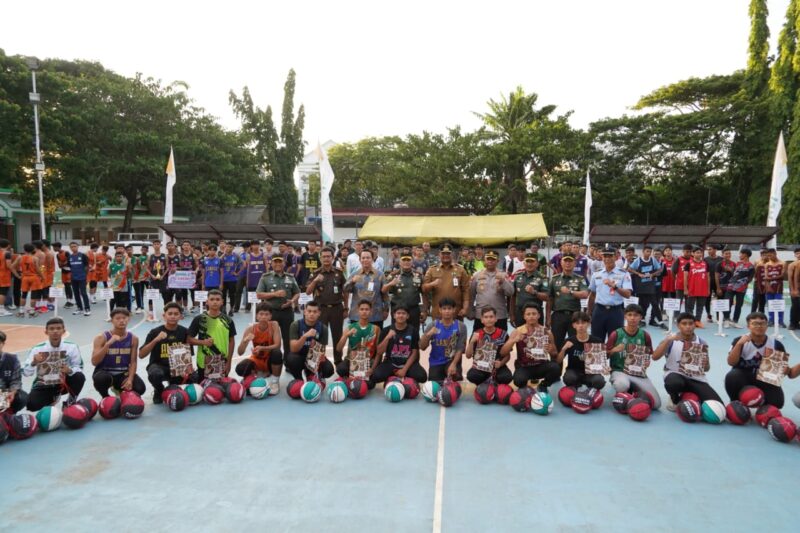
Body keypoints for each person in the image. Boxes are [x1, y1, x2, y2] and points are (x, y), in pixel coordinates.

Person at [652, 312, 723, 411]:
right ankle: (674, 398)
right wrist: (667, 341)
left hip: (696, 378)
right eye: (684, 324)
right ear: (678, 325)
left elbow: (706, 369)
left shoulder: (701, 343)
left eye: (691, 324)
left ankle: (690, 394)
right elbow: (655, 357)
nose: (688, 327)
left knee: (717, 405)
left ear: (695, 325)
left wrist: (705, 362)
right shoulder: (671, 340)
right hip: (675, 374)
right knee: (673, 383)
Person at [725, 312, 798, 408]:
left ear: (767, 326)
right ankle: (736, 403)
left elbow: (789, 374)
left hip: (765, 379)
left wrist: (784, 370)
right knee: (732, 376)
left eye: (762, 323)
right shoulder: (739, 340)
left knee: (777, 403)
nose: (759, 326)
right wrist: (739, 345)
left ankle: (762, 406)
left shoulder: (776, 344)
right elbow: (731, 362)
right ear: (748, 326)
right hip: (743, 377)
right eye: (755, 323)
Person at [606, 304, 661, 408]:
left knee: (656, 404)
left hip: (638, 373)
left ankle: (635, 393)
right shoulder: (616, 334)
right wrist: (614, 350)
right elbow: (604, 356)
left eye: (636, 315)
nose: (632, 318)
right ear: (625, 316)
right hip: (619, 371)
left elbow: (648, 355)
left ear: (641, 317)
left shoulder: (645, 335)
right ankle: (626, 392)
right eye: (629, 315)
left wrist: (647, 362)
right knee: (622, 385)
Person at [23, 318, 85, 410]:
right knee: (31, 405)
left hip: (64, 381)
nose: (55, 331)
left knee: (79, 376)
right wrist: (34, 362)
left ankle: (70, 401)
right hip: (44, 383)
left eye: (58, 328)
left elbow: (79, 367)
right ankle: (53, 397)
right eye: (51, 329)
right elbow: (26, 373)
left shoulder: (72, 347)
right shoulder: (37, 349)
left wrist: (69, 370)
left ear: (63, 331)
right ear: (46, 332)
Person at [138, 302, 194, 403]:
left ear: (181, 316)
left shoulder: (185, 331)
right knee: (155, 374)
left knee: (194, 377)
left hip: (177, 367)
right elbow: (141, 355)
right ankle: (159, 389)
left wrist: (187, 369)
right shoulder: (155, 332)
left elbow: (188, 354)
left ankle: (173, 384)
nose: (173, 316)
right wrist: (155, 340)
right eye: (170, 313)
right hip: (159, 366)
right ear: (164, 316)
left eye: (176, 314)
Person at [502, 304, 560, 392]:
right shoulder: (518, 331)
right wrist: (513, 341)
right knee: (518, 381)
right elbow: (503, 352)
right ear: (524, 316)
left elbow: (555, 354)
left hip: (541, 366)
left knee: (555, 368)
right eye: (528, 314)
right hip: (524, 367)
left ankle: (544, 385)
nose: (531, 316)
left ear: (539, 315)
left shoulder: (546, 332)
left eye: (534, 314)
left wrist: (551, 349)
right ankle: (525, 388)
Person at [91, 309, 145, 397]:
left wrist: (130, 380)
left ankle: (118, 389)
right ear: (112, 320)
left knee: (140, 388)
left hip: (122, 373)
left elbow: (133, 362)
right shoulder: (101, 337)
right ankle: (105, 397)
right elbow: (94, 362)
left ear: (129, 319)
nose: (122, 321)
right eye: (118, 318)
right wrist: (107, 344)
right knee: (100, 379)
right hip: (105, 372)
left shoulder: (133, 339)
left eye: (124, 318)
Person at [306, 247, 347, 365]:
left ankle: (338, 361)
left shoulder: (339, 273)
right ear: (320, 258)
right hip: (320, 310)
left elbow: (345, 291)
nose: (326, 259)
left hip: (337, 308)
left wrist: (346, 308)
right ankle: (318, 361)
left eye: (329, 256)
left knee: (337, 336)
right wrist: (315, 281)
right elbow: (308, 292)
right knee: (319, 336)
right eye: (324, 256)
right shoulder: (315, 273)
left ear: (333, 257)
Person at [371, 306, 427, 386]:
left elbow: (415, 353)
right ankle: (394, 376)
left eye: (403, 313)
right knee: (376, 376)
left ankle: (404, 375)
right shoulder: (386, 330)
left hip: (407, 364)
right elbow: (379, 352)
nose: (401, 315)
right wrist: (387, 337)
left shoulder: (413, 330)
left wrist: (404, 369)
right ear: (394, 315)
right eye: (398, 313)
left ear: (407, 316)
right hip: (390, 363)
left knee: (422, 377)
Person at [188, 290, 236, 381]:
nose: (215, 301)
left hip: (221, 360)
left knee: (219, 390)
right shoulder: (199, 319)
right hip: (203, 360)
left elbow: (231, 341)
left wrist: (229, 362)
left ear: (222, 302)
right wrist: (203, 342)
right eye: (212, 299)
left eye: (217, 299)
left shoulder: (228, 320)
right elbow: (189, 340)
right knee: (204, 389)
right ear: (207, 302)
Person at [256, 255, 300, 354]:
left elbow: (297, 293)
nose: (278, 264)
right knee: (270, 337)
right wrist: (275, 294)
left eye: (280, 262)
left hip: (287, 312)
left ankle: (288, 361)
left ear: (284, 263)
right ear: (271, 264)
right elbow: (259, 295)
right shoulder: (265, 277)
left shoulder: (290, 277)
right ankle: (271, 361)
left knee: (288, 337)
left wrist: (292, 301)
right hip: (271, 313)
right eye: (275, 262)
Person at [587, 245, 633, 343]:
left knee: (616, 342)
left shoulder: (624, 274)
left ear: (616, 257)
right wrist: (589, 313)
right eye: (605, 256)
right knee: (596, 342)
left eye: (610, 256)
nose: (607, 259)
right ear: (602, 257)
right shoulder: (596, 274)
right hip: (599, 311)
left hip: (616, 312)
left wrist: (615, 287)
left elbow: (628, 294)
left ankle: (614, 359)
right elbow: (592, 295)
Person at [235, 303, 283, 395]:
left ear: (270, 316)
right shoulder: (250, 329)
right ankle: (256, 375)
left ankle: (275, 381)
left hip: (269, 360)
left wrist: (262, 348)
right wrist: (244, 341)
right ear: (257, 316)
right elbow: (240, 352)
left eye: (266, 314)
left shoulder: (274, 325)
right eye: (261, 314)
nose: (264, 317)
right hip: (257, 359)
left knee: (277, 353)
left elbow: (277, 345)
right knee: (240, 368)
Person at [419, 298, 468, 382]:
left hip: (451, 360)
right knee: (434, 383)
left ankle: (455, 373)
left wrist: (454, 364)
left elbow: (460, 348)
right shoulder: (433, 325)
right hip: (436, 362)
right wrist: (428, 335)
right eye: (444, 309)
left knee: (455, 378)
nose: (447, 311)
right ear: (440, 310)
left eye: (449, 308)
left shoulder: (461, 326)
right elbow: (422, 346)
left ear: (454, 310)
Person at [548, 253, 589, 349]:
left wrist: (570, 292)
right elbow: (550, 299)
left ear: (575, 263)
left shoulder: (579, 279)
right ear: (561, 263)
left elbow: (585, 294)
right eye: (565, 261)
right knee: (556, 343)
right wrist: (548, 317)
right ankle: (557, 364)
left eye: (570, 261)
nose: (567, 263)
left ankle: (573, 364)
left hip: (574, 316)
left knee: (575, 344)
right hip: (558, 315)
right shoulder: (554, 279)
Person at [557, 311, 606, 390]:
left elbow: (602, 363)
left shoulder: (597, 341)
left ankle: (589, 387)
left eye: (583, 323)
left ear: (588, 324)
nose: (580, 325)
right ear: (573, 325)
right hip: (574, 371)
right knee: (568, 378)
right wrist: (564, 349)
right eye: (577, 323)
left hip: (591, 373)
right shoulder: (569, 341)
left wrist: (604, 366)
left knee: (599, 381)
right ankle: (576, 385)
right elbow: (558, 361)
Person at [287, 300, 334, 381]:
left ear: (319, 313)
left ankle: (312, 374)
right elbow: (293, 349)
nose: (312, 314)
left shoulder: (323, 328)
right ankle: (299, 380)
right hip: (299, 356)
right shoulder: (295, 325)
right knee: (291, 359)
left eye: (315, 312)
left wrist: (313, 365)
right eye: (309, 311)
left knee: (329, 369)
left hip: (314, 357)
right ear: (304, 312)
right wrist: (305, 336)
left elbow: (322, 352)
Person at [335, 300, 381, 384]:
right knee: (341, 369)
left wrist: (373, 368)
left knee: (372, 382)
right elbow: (338, 348)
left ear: (371, 312)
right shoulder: (350, 327)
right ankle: (351, 376)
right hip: (352, 360)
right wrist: (346, 335)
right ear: (358, 311)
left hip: (368, 361)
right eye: (362, 309)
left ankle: (357, 378)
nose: (364, 312)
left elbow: (379, 352)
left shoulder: (376, 329)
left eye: (367, 309)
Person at [423, 244, 470, 322]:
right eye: (443, 253)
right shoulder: (432, 270)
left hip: (456, 312)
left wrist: (465, 308)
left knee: (457, 333)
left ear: (452, 254)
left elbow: (466, 290)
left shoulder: (460, 270)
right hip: (438, 312)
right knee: (437, 333)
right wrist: (432, 284)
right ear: (439, 254)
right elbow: (424, 289)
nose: (446, 255)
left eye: (448, 253)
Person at [465, 306, 512, 385]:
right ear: (482, 320)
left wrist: (501, 363)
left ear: (496, 319)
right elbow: (468, 355)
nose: (489, 319)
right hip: (480, 367)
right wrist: (471, 342)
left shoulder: (503, 334)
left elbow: (507, 356)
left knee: (507, 377)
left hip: (497, 367)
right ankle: (483, 385)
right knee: (471, 375)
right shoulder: (476, 333)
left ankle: (495, 383)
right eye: (486, 317)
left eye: (491, 317)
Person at [470, 250, 514, 333]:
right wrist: (470, 311)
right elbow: (471, 295)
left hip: (499, 315)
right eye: (488, 259)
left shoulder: (503, 275)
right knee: (478, 341)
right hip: (481, 316)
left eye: (493, 259)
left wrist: (503, 282)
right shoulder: (477, 275)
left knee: (501, 341)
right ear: (484, 260)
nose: (490, 261)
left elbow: (510, 292)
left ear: (497, 261)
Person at [383, 247, 426, 331]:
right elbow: (384, 291)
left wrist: (424, 310)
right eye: (404, 260)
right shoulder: (393, 275)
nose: (406, 262)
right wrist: (391, 283)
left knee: (414, 334)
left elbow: (424, 294)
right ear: (400, 262)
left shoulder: (419, 275)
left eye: (408, 260)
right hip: (398, 311)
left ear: (412, 261)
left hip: (413, 310)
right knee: (396, 334)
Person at [344, 250, 388, 328]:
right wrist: (352, 282)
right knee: (356, 339)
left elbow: (385, 294)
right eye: (363, 258)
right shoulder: (354, 274)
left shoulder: (380, 275)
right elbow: (345, 289)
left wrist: (386, 310)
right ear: (359, 260)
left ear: (372, 259)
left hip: (375, 315)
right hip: (357, 315)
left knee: (376, 339)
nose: (365, 260)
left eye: (368, 258)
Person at [628, 245, 665, 328]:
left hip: (650, 286)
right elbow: (629, 269)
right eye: (647, 251)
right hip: (640, 286)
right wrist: (638, 274)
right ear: (643, 252)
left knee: (655, 303)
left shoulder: (653, 260)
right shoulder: (638, 260)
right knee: (642, 305)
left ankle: (660, 322)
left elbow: (660, 270)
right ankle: (642, 320)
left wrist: (653, 274)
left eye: (650, 251)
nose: (648, 253)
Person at [511, 252, 549, 327]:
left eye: (532, 261)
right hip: (520, 313)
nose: (529, 264)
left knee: (537, 337)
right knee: (520, 337)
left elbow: (547, 297)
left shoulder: (543, 278)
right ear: (524, 263)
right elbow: (513, 297)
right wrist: (512, 314)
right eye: (527, 261)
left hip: (535, 313)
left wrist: (534, 292)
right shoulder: (518, 277)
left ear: (537, 263)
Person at [724, 248, 755, 329]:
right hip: (731, 286)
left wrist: (743, 284)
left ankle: (735, 321)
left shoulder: (751, 266)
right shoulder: (737, 263)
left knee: (739, 305)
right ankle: (726, 320)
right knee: (728, 302)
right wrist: (730, 270)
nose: (739, 255)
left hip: (741, 288)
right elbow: (734, 273)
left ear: (745, 255)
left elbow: (750, 278)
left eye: (741, 254)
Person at [683, 246, 710, 327]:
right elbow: (685, 277)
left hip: (703, 289)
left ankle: (698, 321)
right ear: (693, 254)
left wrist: (708, 289)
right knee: (689, 307)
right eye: (697, 252)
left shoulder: (705, 263)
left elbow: (708, 277)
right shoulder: (688, 264)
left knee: (700, 306)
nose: (699, 254)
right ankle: (690, 321)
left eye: (700, 252)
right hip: (692, 289)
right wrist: (685, 288)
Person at [0, 331, 27, 412]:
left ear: (3, 344)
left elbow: (16, 381)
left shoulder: (12, 360)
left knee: (21, 398)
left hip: (5, 392)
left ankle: (9, 414)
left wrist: (13, 392)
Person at [18, 243, 44, 318]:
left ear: (24, 249)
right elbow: (38, 269)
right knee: (34, 295)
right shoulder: (35, 258)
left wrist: (18, 275)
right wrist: (42, 277)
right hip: (34, 277)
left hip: (25, 277)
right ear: (33, 250)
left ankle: (21, 311)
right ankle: (32, 312)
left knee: (24, 295)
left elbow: (15, 267)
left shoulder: (20, 257)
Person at [67, 242, 91, 316]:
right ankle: (79, 308)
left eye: (75, 246)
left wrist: (85, 275)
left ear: (78, 247)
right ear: (70, 248)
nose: (73, 248)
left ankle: (87, 309)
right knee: (76, 293)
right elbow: (70, 267)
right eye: (72, 247)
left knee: (83, 293)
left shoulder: (83, 255)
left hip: (82, 278)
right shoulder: (69, 257)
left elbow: (87, 266)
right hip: (73, 278)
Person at [763, 248, 786, 327]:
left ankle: (780, 321)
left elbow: (782, 276)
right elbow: (766, 277)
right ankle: (771, 320)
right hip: (769, 287)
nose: (769, 257)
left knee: (779, 303)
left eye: (771, 255)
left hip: (778, 287)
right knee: (770, 304)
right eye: (768, 256)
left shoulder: (782, 263)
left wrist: (771, 278)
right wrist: (768, 287)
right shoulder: (767, 264)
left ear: (775, 254)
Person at [715, 248, 736, 327]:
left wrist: (731, 271)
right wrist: (718, 288)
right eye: (726, 253)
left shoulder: (734, 264)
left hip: (730, 288)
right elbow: (716, 276)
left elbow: (736, 276)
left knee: (729, 302)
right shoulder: (719, 264)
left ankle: (727, 317)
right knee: (720, 302)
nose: (728, 255)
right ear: (722, 254)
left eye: (729, 253)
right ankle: (718, 318)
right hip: (721, 286)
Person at [52, 242, 74, 309]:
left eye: (54, 247)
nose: (53, 248)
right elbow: (59, 265)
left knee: (68, 285)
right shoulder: (58, 255)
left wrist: (63, 264)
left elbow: (69, 262)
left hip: (69, 271)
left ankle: (70, 301)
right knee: (66, 286)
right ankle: (68, 301)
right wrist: (63, 264)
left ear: (58, 247)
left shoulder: (66, 253)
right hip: (63, 271)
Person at [704, 245, 723, 322]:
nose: (708, 251)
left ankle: (719, 316)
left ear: (715, 250)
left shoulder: (721, 259)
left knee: (719, 299)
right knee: (707, 299)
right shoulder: (705, 260)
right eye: (708, 250)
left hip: (718, 282)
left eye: (710, 249)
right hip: (708, 282)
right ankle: (709, 315)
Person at [132, 245, 150, 314]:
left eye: (145, 249)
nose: (144, 250)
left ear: (147, 250)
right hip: (140, 278)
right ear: (141, 250)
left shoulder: (149, 257)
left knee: (150, 293)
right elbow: (136, 268)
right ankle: (140, 306)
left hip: (148, 278)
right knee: (140, 293)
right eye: (143, 249)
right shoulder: (137, 258)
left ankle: (151, 306)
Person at [750, 248, 767, 314]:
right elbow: (754, 273)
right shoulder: (757, 261)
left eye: (765, 254)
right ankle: (752, 314)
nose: (764, 256)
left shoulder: (769, 262)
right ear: (761, 255)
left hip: (766, 283)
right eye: (763, 254)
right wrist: (758, 266)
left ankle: (761, 314)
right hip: (758, 283)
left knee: (763, 300)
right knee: (755, 299)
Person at [790, 248, 800, 330]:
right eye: (797, 253)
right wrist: (794, 290)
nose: (799, 255)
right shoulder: (793, 264)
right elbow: (791, 278)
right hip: (794, 287)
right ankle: (792, 323)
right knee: (795, 306)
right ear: (795, 255)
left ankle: (798, 323)